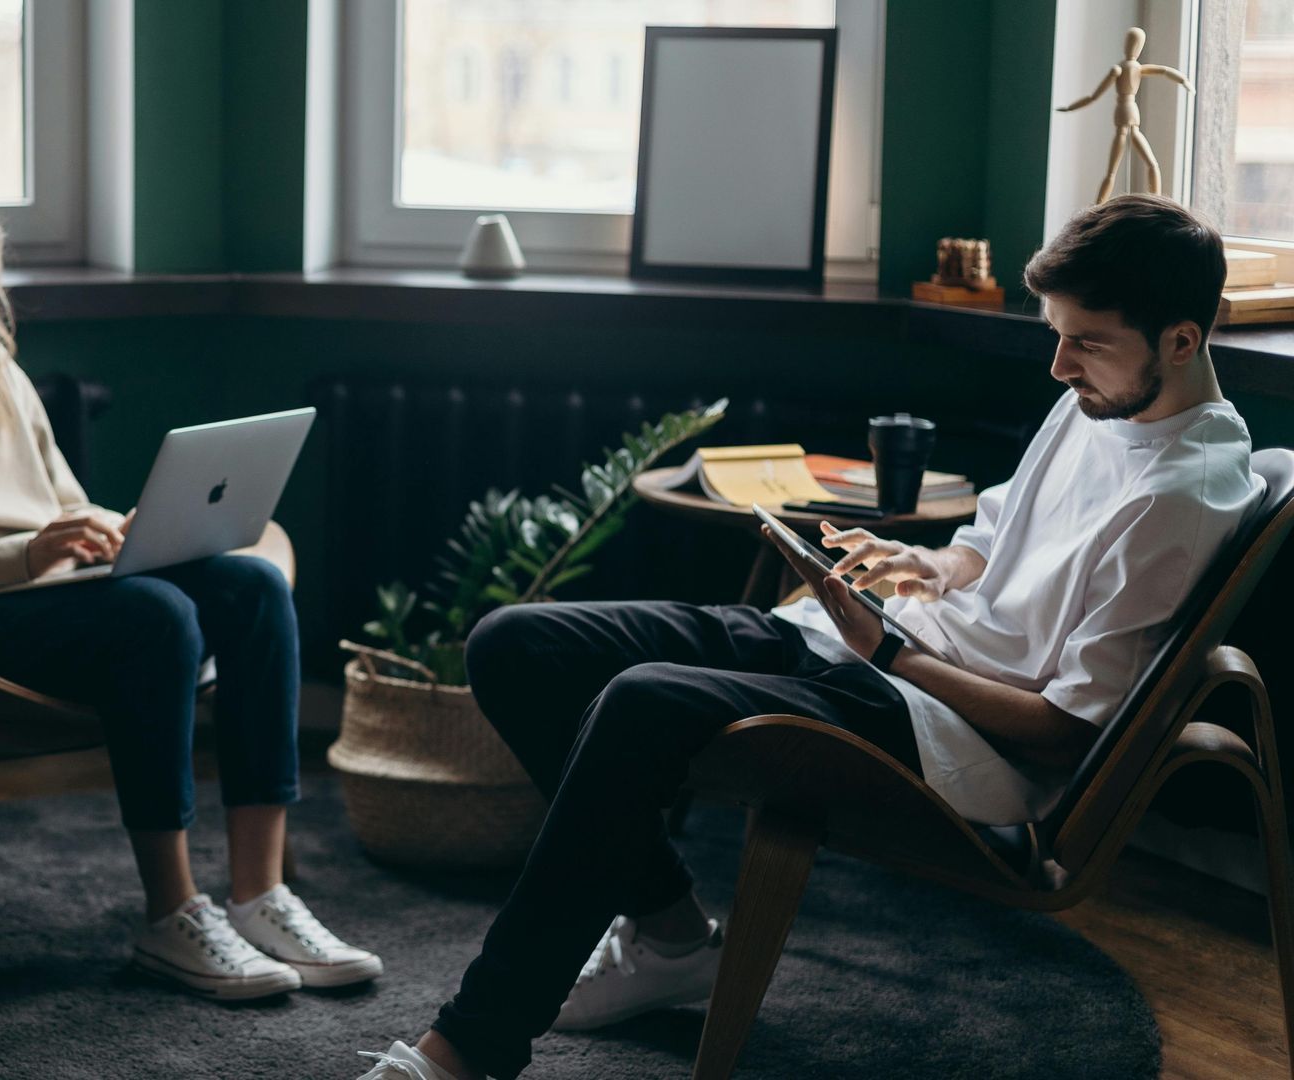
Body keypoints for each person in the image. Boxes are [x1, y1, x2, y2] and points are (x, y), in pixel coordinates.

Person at [354, 194, 1262, 1079]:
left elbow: (1067, 731)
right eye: (1055, 334)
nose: (1058, 365)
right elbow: (992, 544)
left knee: (642, 702)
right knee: (516, 645)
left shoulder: (1177, 499)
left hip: (946, 734)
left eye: (1086, 343)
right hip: (881, 653)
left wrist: (889, 652)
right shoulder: (1098, 398)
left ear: (1184, 339)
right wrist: (922, 567)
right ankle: (671, 935)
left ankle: (467, 1052)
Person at [0, 94, 381, 1003]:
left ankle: (262, 893)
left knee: (250, 587)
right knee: (154, 618)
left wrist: (113, 531)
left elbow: (51, 500)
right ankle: (173, 915)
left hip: (29, 589)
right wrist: (19, 557)